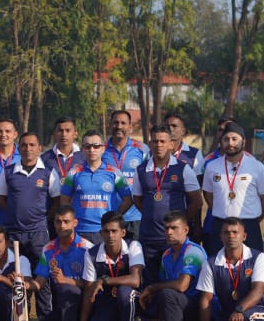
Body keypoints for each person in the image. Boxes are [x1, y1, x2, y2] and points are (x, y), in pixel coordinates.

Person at [131, 124, 201, 285]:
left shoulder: (183, 169)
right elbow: (137, 199)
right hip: (149, 237)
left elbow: (196, 201)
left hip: (175, 239)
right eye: (155, 142)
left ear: (171, 144)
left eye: (163, 141)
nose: (159, 145)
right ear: (150, 144)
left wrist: (180, 221)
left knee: (174, 281)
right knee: (149, 281)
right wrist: (151, 214)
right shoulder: (141, 170)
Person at [196, 218, 264, 321]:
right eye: (226, 232)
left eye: (235, 232)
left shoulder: (257, 257)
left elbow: (258, 291)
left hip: (256, 313)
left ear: (244, 236)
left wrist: (239, 309)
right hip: (228, 317)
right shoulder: (210, 263)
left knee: (247, 318)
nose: (231, 236)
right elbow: (206, 299)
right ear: (220, 236)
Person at [0, 131, 55, 318]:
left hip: (39, 235)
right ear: (18, 148)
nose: (28, 148)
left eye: (32, 145)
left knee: (42, 279)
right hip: (14, 236)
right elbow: (3, 200)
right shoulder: (8, 172)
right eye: (24, 145)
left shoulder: (48, 174)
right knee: (18, 279)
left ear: (39, 148)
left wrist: (40, 219)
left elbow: (56, 201)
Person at [136, 211, 207, 321]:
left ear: (185, 230)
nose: (169, 232)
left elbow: (181, 286)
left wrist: (152, 288)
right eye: (166, 228)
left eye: (174, 228)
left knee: (167, 293)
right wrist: (159, 317)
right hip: (176, 311)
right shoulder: (167, 254)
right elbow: (165, 288)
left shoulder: (193, 251)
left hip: (198, 310)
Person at [75, 212, 144, 321]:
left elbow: (135, 280)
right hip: (108, 304)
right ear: (101, 233)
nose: (110, 236)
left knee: (124, 292)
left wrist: (105, 281)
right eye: (106, 231)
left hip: (134, 301)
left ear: (123, 232)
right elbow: (88, 292)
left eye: (114, 231)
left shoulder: (133, 246)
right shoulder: (92, 254)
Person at [201, 122, 264, 256]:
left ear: (243, 142)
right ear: (221, 142)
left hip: (248, 227)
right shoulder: (212, 167)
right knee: (219, 269)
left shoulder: (256, 167)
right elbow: (208, 194)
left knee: (250, 270)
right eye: (226, 139)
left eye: (235, 139)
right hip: (220, 226)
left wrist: (255, 219)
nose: (230, 143)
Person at [30, 206, 93, 321]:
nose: (62, 226)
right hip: (63, 308)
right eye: (58, 222)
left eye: (66, 221)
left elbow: (91, 285)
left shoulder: (87, 249)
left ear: (75, 223)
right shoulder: (48, 249)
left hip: (86, 307)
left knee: (67, 289)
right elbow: (39, 282)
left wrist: (66, 280)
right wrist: (24, 284)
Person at [60, 130, 133, 244]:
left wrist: (114, 217)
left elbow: (128, 199)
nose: (91, 150)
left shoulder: (114, 172)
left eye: (96, 146)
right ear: (82, 149)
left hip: (105, 231)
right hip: (80, 230)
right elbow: (64, 200)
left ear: (103, 148)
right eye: (87, 146)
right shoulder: (73, 172)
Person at [102, 110, 148, 239]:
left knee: (135, 256)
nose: (119, 126)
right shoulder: (101, 149)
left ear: (130, 127)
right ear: (110, 125)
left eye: (123, 123)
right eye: (116, 122)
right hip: (109, 216)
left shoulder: (142, 149)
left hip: (135, 216)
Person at [40, 116, 82, 196]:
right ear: (54, 134)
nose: (64, 134)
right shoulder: (44, 159)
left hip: (76, 205)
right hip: (53, 205)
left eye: (68, 130)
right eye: (60, 130)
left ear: (75, 134)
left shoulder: (83, 158)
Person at [162, 112, 205, 176]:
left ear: (183, 131)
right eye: (167, 126)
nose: (170, 129)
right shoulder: (154, 153)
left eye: (174, 126)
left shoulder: (195, 154)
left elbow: (198, 181)